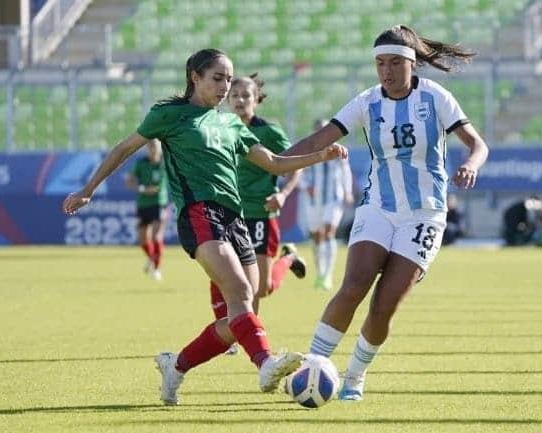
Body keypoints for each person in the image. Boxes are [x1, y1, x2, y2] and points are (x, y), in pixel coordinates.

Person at [62, 48, 348, 405]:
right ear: (194, 77)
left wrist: (321, 155)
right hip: (198, 215)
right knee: (242, 295)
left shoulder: (230, 123)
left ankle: (175, 366)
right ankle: (265, 362)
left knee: (239, 315)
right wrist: (88, 190)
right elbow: (125, 147)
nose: (225, 86)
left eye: (229, 78)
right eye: (218, 77)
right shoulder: (168, 115)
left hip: (236, 219)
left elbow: (274, 163)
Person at [284, 25, 489, 401]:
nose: (387, 71)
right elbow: (319, 139)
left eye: (395, 62)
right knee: (354, 285)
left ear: (412, 64)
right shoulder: (366, 102)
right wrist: (277, 162)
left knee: (384, 305)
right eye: (380, 63)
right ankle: (311, 366)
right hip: (379, 205)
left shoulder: (435, 97)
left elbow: (477, 144)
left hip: (425, 215)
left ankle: (355, 377)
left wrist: (472, 163)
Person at [210, 73, 307, 355]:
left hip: (260, 214)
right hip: (227, 213)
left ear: (256, 100)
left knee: (261, 289)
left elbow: (292, 163)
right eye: (235, 96)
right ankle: (238, 332)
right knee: (221, 271)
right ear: (227, 99)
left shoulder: (268, 132)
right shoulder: (219, 128)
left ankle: (288, 258)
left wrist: (283, 194)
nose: (240, 100)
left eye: (246, 96)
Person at [302, 119, 354, 290]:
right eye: (318, 130)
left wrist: (347, 192)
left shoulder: (338, 150)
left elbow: (346, 172)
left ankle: (327, 276)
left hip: (333, 197)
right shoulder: (309, 149)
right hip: (314, 200)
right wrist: (306, 186)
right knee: (316, 235)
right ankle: (320, 273)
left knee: (328, 232)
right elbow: (300, 171)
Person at [124, 139, 169, 280]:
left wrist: (144, 188)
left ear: (160, 148)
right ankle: (151, 258)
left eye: (155, 147)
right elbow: (129, 180)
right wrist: (140, 187)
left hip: (159, 203)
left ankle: (157, 269)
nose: (153, 149)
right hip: (143, 204)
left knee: (156, 236)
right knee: (143, 239)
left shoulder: (163, 163)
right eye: (150, 147)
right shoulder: (141, 163)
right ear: (147, 148)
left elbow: (156, 188)